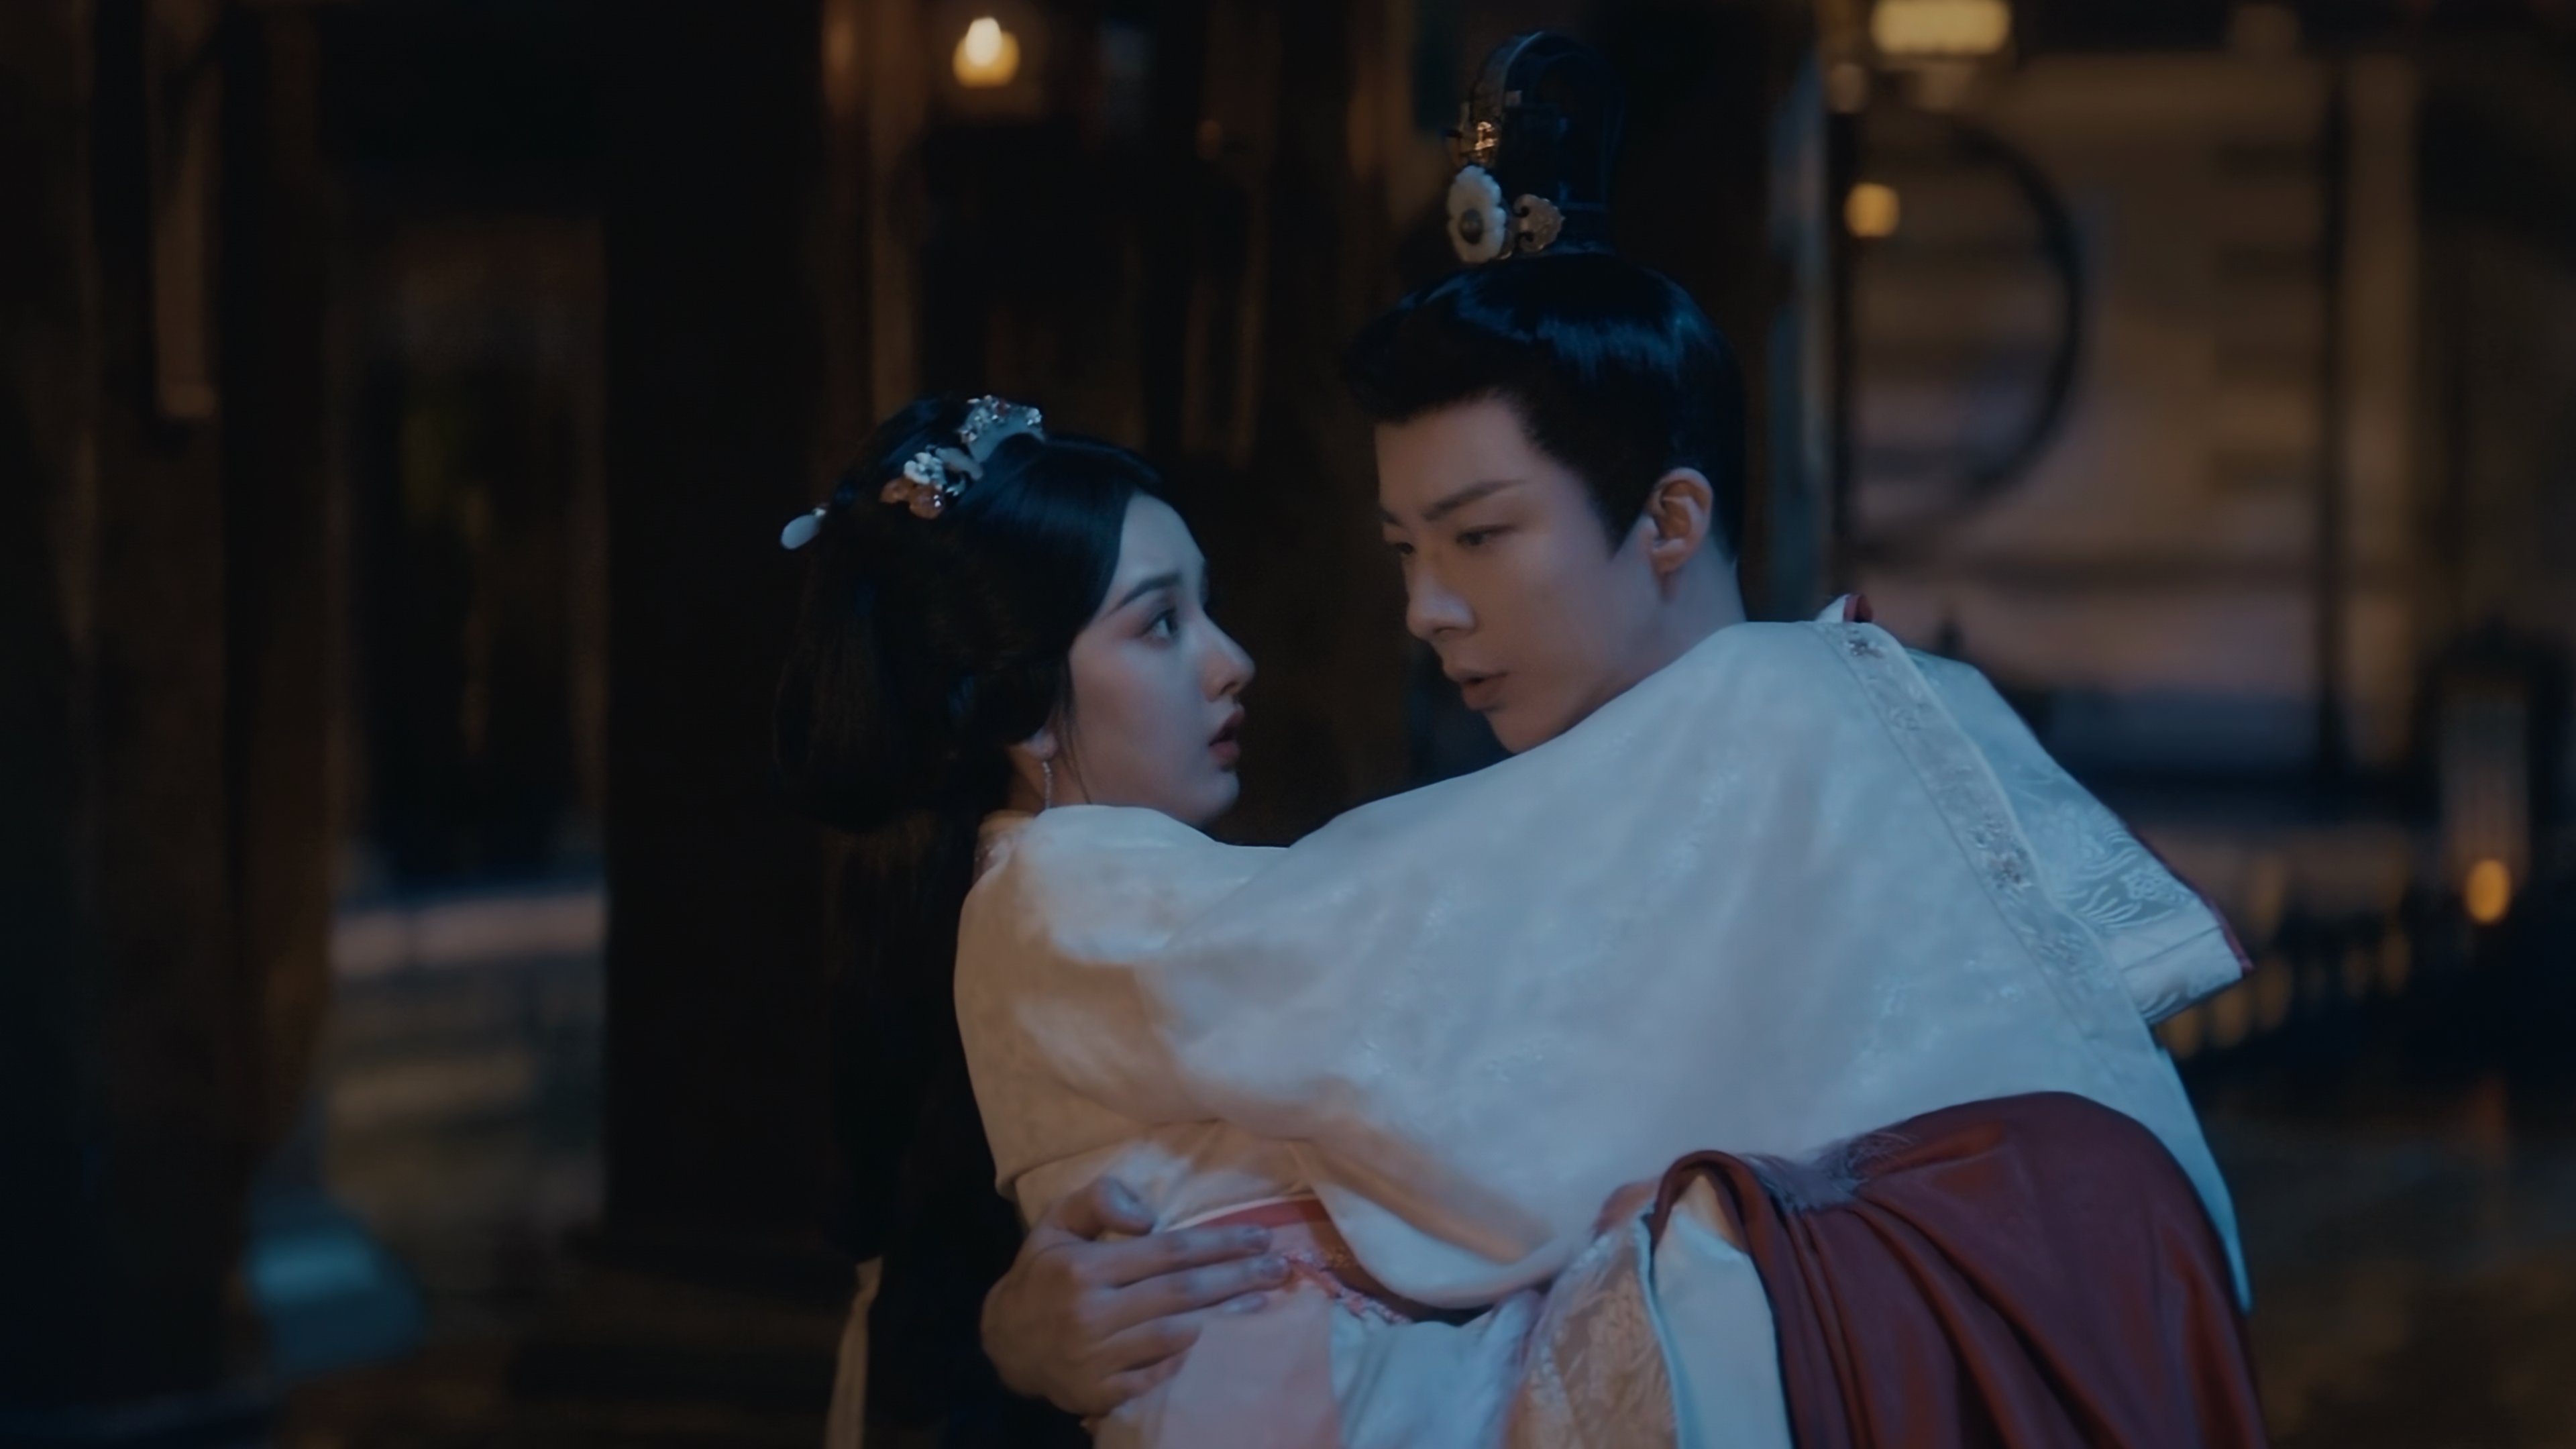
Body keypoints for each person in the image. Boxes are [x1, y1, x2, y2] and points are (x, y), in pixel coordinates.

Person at [968, 33, 2261, 1445]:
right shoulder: (1639, 772)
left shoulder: (1783, 723)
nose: (1428, 608)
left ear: (1669, 519)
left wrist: (1041, 893)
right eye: (1405, 550)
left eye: (1479, 537)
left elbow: (1249, 982)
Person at [775, 395, 1276, 1446]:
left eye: (1209, 607)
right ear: (1029, 709)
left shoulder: (1158, 910)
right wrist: (1009, 1344)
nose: (1231, 660)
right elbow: (918, 1329)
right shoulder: (1016, 949)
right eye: (1161, 623)